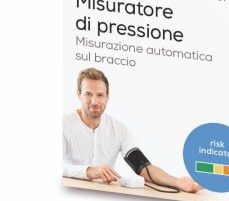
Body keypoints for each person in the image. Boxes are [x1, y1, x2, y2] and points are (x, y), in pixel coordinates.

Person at [63, 67, 201, 193]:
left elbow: (143, 167)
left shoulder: (119, 129)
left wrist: (178, 182)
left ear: (107, 97)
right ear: (78, 94)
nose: (94, 101)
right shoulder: (63, 124)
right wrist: (89, 171)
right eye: (88, 94)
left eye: (100, 95)